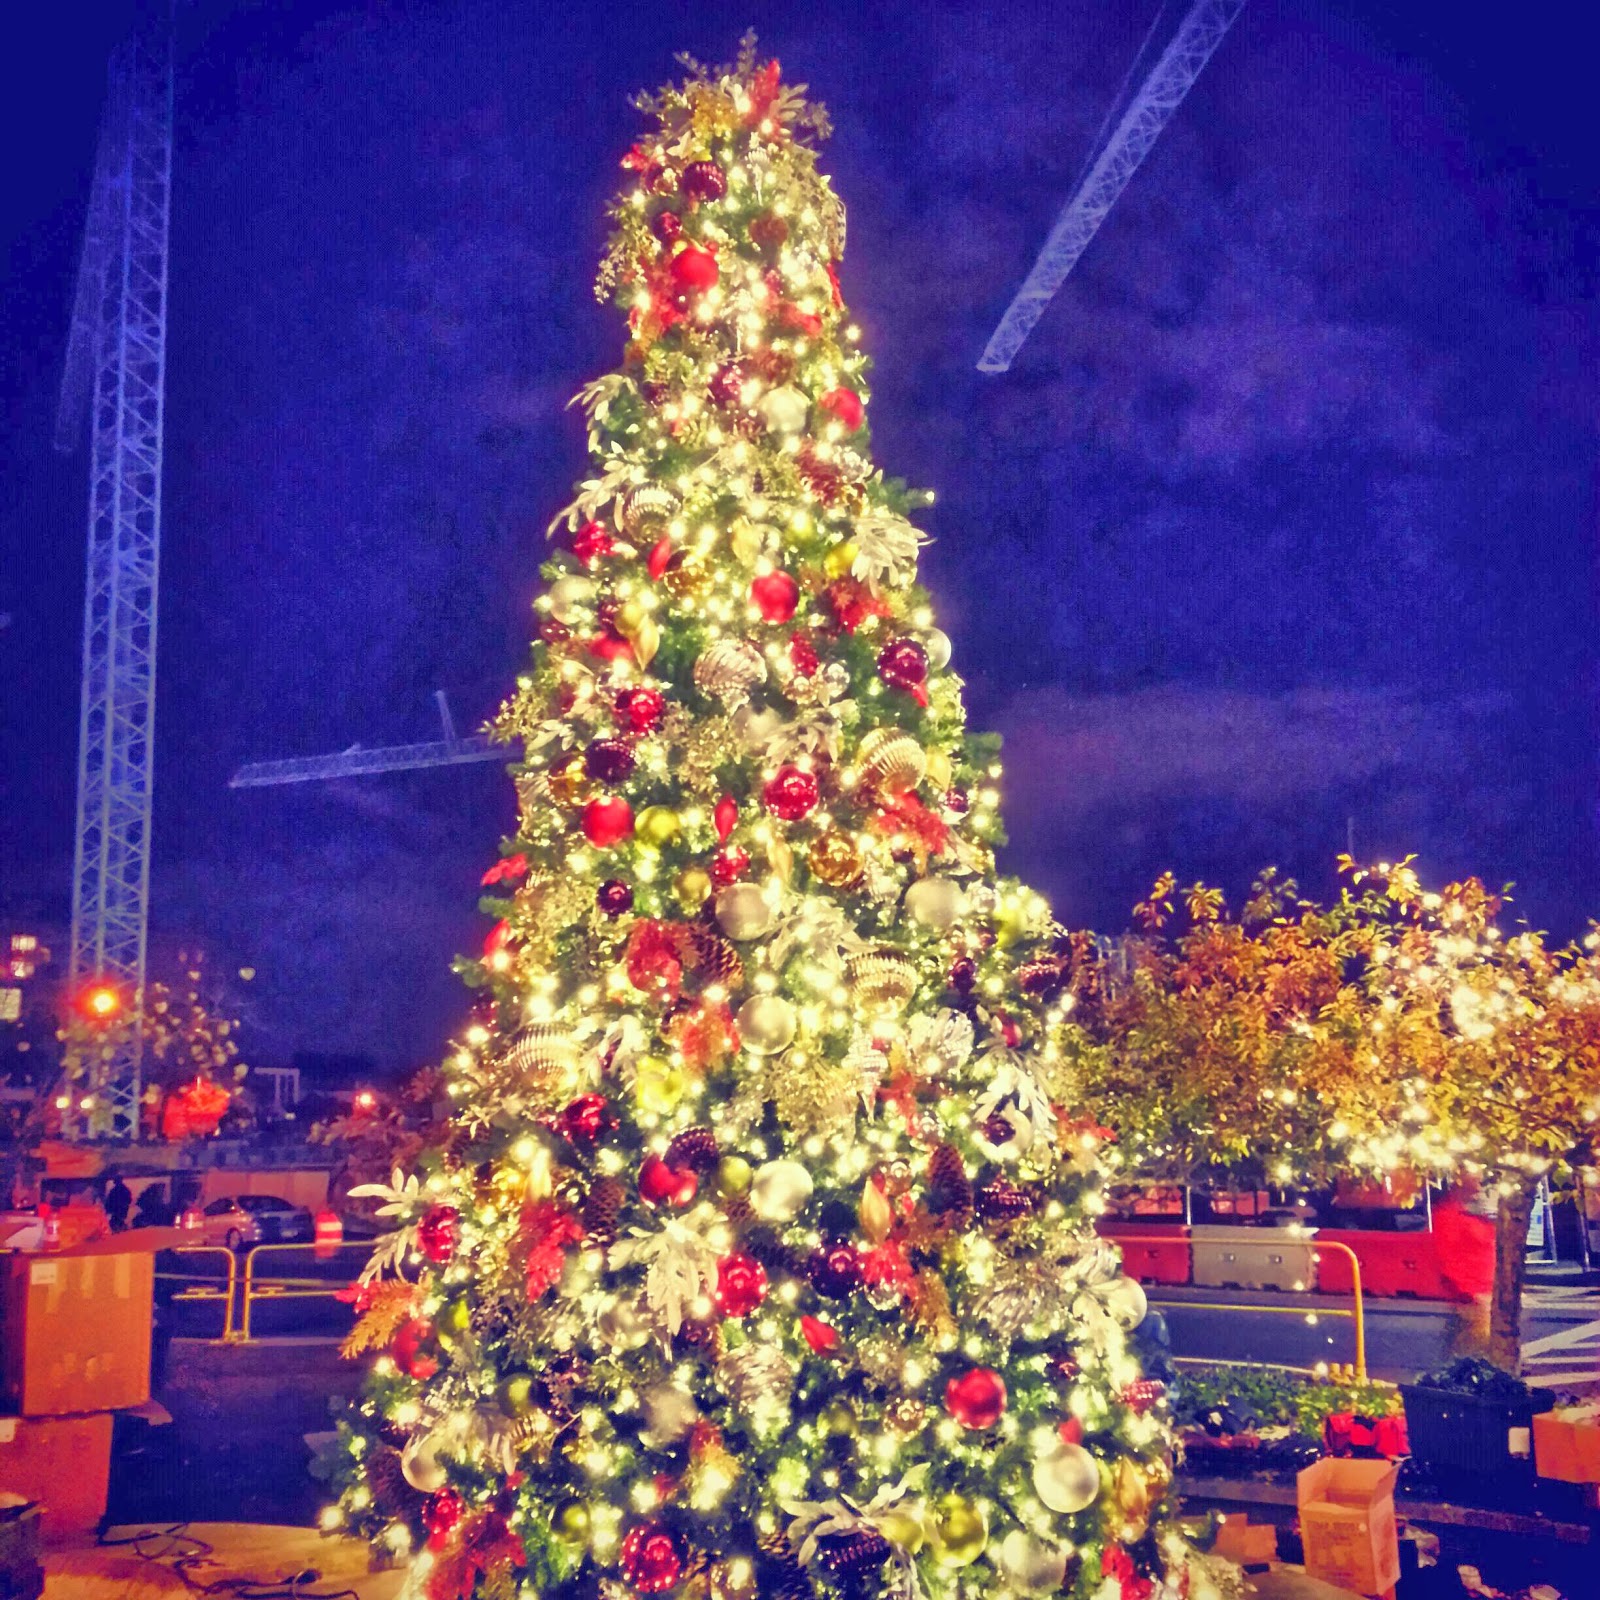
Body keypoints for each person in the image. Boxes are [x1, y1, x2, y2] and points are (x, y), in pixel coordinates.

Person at [1433, 1175, 1496, 1357]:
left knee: (1474, 1348)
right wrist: (1470, 1293)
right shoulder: (1447, 1216)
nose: (1480, 1184)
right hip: (1474, 1298)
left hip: (1485, 1293)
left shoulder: (1468, 1215)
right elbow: (1447, 1259)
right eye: (1475, 1179)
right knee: (1475, 1349)